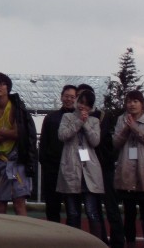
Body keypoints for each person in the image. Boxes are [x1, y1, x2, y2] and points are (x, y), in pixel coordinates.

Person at [0, 72, 37, 216]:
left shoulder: (15, 107)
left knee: (19, 202)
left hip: (17, 159)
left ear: (8, 87)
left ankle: (24, 231)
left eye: (1, 84)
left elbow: (18, 134)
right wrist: (7, 133)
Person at [113, 90, 144, 248]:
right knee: (129, 215)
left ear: (142, 103)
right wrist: (126, 129)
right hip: (127, 173)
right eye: (129, 101)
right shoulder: (121, 119)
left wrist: (135, 128)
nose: (132, 104)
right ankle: (130, 244)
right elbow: (116, 143)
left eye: (135, 101)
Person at [56, 89, 104, 239]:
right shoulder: (67, 117)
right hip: (71, 168)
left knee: (92, 212)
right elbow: (62, 135)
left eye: (87, 104)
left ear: (91, 107)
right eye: (81, 102)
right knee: (72, 213)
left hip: (89, 170)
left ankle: (96, 243)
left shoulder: (94, 121)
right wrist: (78, 122)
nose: (83, 106)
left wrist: (86, 124)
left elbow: (95, 141)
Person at [39, 84, 77, 222]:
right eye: (66, 96)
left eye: (72, 97)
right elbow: (43, 142)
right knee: (52, 206)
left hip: (72, 169)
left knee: (72, 208)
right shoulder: (51, 118)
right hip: (53, 168)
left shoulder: (80, 118)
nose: (69, 99)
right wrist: (45, 163)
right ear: (61, 97)